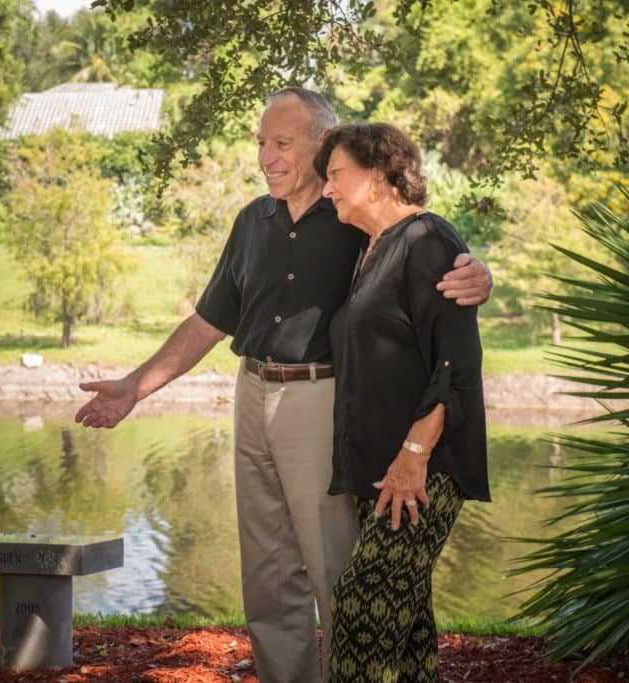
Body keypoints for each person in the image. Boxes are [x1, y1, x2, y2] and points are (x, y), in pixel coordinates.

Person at [74, 89, 492, 683]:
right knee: (267, 574)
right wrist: (135, 387)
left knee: (338, 571)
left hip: (322, 401)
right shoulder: (253, 221)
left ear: (322, 146)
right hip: (251, 396)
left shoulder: (353, 214)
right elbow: (208, 321)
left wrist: (480, 274)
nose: (267, 157)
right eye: (261, 144)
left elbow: (423, 254)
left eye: (282, 143)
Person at [314, 122, 490, 682]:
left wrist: (414, 454)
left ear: (382, 173)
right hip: (381, 468)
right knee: (405, 623)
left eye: (336, 174)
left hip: (422, 468)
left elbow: (453, 361)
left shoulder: (428, 241)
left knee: (361, 607)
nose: (327, 189)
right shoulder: (370, 249)